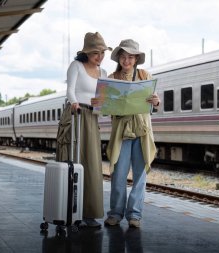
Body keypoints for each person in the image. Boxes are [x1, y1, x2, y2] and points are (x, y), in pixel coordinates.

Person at [56, 32, 111, 228]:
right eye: (95, 53)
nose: (100, 56)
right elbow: (70, 90)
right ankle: (66, 211)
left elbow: (102, 100)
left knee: (92, 164)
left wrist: (103, 107)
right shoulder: (76, 66)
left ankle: (89, 213)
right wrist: (75, 103)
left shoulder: (103, 73)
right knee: (72, 160)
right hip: (75, 115)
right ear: (86, 52)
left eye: (102, 52)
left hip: (92, 118)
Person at [104, 39, 160, 228]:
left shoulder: (145, 75)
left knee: (140, 175)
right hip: (121, 132)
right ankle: (115, 213)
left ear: (136, 59)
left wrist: (156, 101)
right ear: (119, 59)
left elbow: (153, 104)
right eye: (123, 57)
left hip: (142, 131)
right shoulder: (112, 78)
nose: (126, 61)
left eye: (130, 57)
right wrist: (103, 102)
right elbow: (105, 109)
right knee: (118, 174)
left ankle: (135, 215)